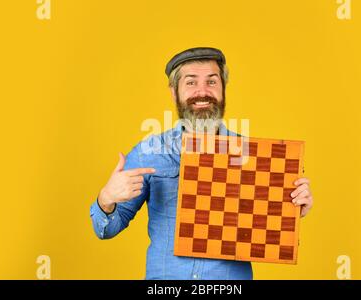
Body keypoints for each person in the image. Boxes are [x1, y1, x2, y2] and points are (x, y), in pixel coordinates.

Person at [90, 47, 314, 279]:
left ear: (223, 89)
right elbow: (105, 230)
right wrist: (106, 199)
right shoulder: (150, 152)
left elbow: (268, 236)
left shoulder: (255, 157)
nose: (202, 92)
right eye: (190, 82)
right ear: (174, 92)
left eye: (212, 81)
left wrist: (292, 208)